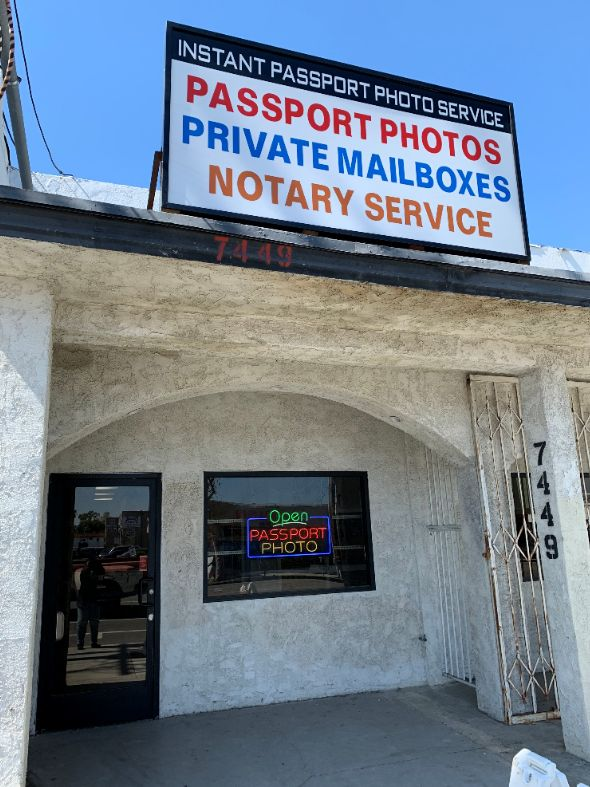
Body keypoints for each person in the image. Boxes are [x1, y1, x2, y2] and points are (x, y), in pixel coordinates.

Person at [76, 557, 105, 650]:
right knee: (90, 622)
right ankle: (87, 642)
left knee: (84, 622)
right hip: (88, 599)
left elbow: (101, 574)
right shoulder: (85, 573)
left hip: (87, 599)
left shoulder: (84, 571)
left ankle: (82, 643)